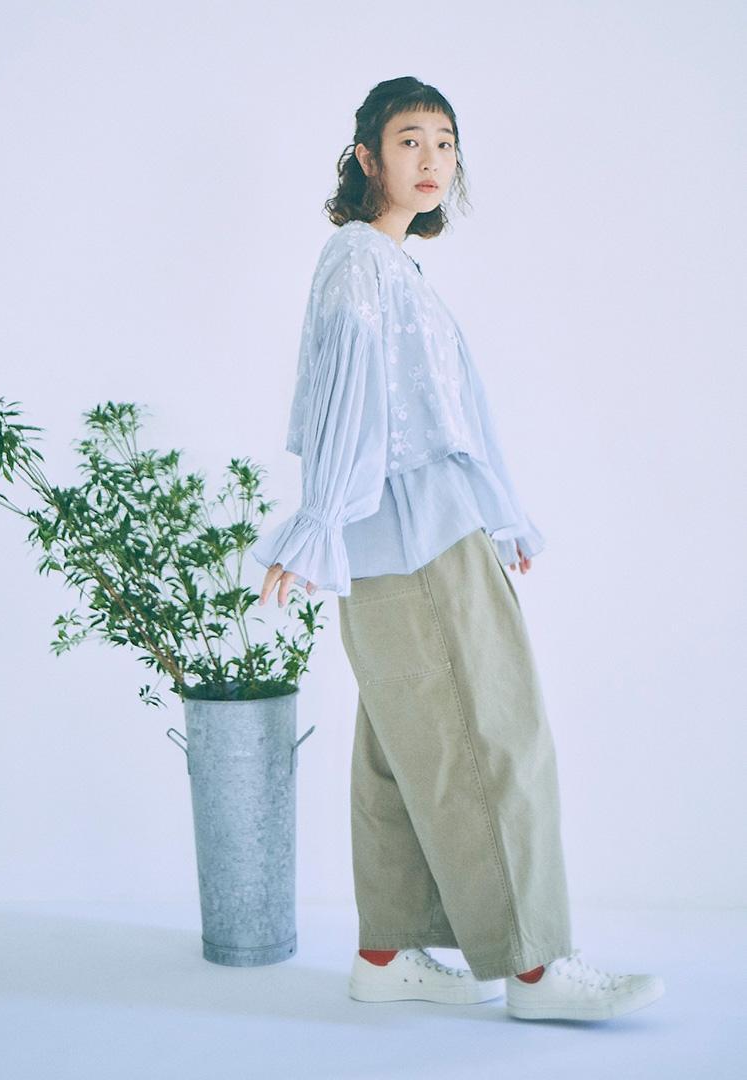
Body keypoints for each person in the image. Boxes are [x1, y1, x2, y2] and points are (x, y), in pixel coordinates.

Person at [252, 76, 664, 1022]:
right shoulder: (361, 260)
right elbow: (347, 397)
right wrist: (316, 525)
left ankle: (386, 952)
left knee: (401, 743)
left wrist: (499, 513)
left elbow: (446, 412)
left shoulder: (393, 266)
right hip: (412, 535)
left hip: (415, 529)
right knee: (493, 734)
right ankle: (535, 969)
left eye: (444, 142)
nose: (432, 160)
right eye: (409, 141)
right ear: (367, 158)